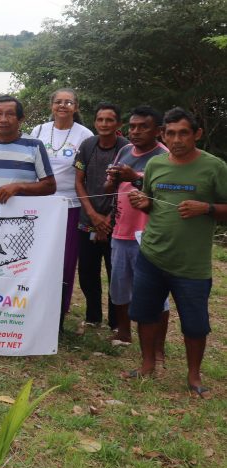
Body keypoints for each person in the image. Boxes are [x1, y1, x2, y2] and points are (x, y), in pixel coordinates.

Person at [124, 108, 227, 399]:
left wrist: (206, 208)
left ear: (197, 134)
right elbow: (152, 203)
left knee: (195, 324)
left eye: (183, 133)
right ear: (163, 135)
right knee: (145, 314)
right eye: (170, 133)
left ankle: (194, 376)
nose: (176, 139)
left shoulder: (214, 167)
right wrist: (142, 202)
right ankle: (147, 365)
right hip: (152, 254)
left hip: (191, 263)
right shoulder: (156, 165)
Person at [105, 106, 169, 347]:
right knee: (119, 287)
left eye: (144, 127)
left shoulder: (164, 156)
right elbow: (107, 189)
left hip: (150, 235)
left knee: (155, 293)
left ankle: (158, 346)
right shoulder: (123, 150)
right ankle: (124, 333)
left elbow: (165, 193)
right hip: (121, 230)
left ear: (159, 131)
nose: (136, 131)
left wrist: (134, 177)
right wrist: (111, 180)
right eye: (132, 126)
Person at [30, 88, 94, 322]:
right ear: (51, 106)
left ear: (76, 107)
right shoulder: (38, 131)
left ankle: (59, 309)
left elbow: (87, 171)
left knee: (65, 259)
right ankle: (35, 302)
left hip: (70, 205)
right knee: (38, 256)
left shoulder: (85, 134)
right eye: (58, 102)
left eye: (68, 102)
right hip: (40, 203)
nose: (63, 106)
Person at [74, 103, 129, 329]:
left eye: (109, 120)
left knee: (116, 274)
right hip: (88, 220)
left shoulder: (126, 148)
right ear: (95, 122)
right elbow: (79, 181)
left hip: (117, 223)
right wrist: (93, 215)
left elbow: (127, 185)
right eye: (100, 120)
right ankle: (93, 317)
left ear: (118, 124)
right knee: (87, 273)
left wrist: (108, 219)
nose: (104, 124)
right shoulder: (87, 145)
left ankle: (116, 322)